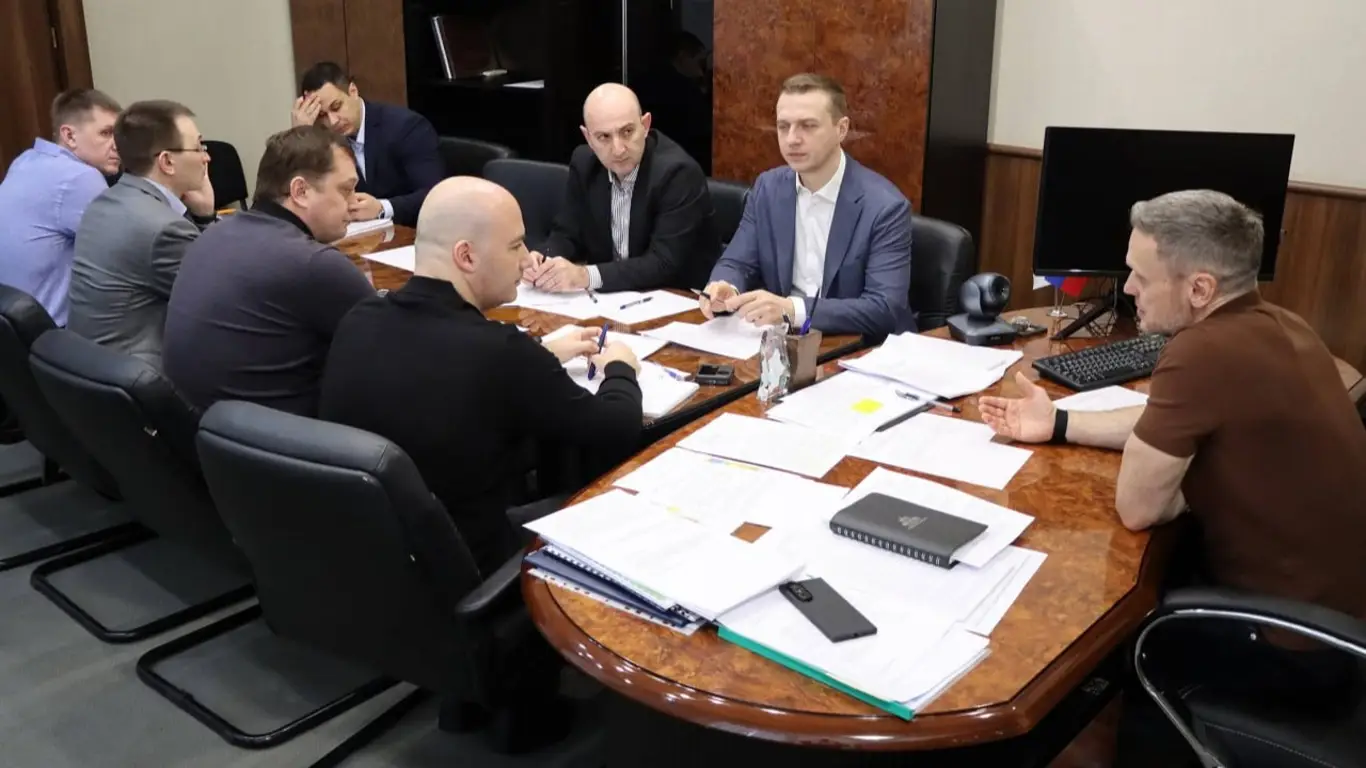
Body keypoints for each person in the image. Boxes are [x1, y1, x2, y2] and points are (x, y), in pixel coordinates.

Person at [978, 189, 1366, 765]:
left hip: (1291, 647)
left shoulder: (1202, 351)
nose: (1129, 288)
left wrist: (1180, 477)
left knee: (1106, 628)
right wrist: (1059, 422)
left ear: (1199, 289)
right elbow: (1166, 421)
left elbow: (1139, 508)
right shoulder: (1284, 326)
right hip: (1341, 623)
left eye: (1141, 274)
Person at [319, 176, 643, 577]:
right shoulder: (500, 352)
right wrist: (621, 367)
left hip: (372, 562)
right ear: (466, 256)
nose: (527, 259)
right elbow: (618, 428)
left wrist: (541, 353)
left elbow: (441, 372)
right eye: (515, 245)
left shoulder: (360, 319)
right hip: (474, 570)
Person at [163, 126, 374, 416]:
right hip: (288, 436)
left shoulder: (213, 234)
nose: (353, 203)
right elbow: (394, 346)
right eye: (346, 189)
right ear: (300, 191)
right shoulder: (312, 263)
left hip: (209, 431)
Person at [699, 73, 913, 339]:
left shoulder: (885, 207)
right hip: (781, 340)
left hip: (859, 347)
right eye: (783, 126)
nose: (792, 139)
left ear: (842, 129)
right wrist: (726, 287)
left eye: (808, 126)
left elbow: (884, 309)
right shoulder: (768, 188)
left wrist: (793, 310)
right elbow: (737, 262)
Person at [525, 83, 720, 293]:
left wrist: (585, 276)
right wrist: (543, 259)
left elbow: (663, 262)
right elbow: (568, 232)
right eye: (604, 137)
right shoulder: (585, 164)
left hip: (677, 297)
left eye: (627, 132)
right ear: (588, 138)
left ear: (645, 125)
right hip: (611, 298)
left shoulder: (677, 174)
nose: (618, 149)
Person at [68, 100, 216, 366]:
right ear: (167, 161)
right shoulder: (165, 229)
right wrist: (206, 218)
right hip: (138, 374)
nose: (206, 158)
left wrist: (203, 212)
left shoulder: (105, 201)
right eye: (198, 147)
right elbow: (221, 299)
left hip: (90, 367)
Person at [0, 89, 121, 325]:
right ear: (70, 136)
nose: (117, 145)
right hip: (50, 334)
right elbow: (127, 254)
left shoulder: (26, 160)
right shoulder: (80, 177)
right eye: (106, 133)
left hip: (11, 328)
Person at [293, 61, 442, 228]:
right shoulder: (323, 139)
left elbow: (434, 194)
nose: (333, 121)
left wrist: (382, 208)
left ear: (353, 91)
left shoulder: (406, 127)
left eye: (337, 107)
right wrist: (303, 135)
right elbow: (306, 195)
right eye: (322, 115)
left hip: (410, 231)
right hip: (355, 235)